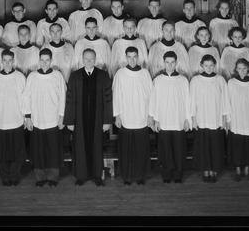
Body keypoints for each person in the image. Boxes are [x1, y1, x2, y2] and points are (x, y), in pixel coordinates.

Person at [64, 48, 113, 186]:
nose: (89, 61)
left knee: (97, 147)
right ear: (82, 59)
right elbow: (70, 99)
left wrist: (107, 121)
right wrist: (69, 120)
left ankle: (97, 175)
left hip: (97, 120)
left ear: (95, 59)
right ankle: (81, 176)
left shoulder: (103, 75)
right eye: (86, 58)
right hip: (79, 119)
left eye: (91, 58)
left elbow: (108, 99)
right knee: (80, 147)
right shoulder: (75, 76)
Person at [23, 48, 67, 187]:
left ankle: (53, 177)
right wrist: (28, 117)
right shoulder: (32, 76)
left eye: (47, 60)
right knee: (38, 150)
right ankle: (40, 177)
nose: (44, 63)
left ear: (51, 61)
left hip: (53, 119)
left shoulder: (57, 76)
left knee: (53, 149)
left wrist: (61, 117)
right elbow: (26, 98)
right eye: (42, 60)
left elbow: (63, 98)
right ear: (39, 60)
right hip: (37, 119)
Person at [112, 46, 154, 185]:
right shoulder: (120, 73)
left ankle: (140, 176)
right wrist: (117, 115)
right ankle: (127, 176)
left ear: (138, 57)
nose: (132, 59)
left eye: (134, 56)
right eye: (129, 56)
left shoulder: (145, 73)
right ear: (126, 57)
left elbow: (151, 96)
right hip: (126, 117)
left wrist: (150, 115)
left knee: (141, 149)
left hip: (142, 116)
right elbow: (116, 95)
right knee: (126, 150)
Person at [149, 51, 191, 184]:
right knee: (165, 150)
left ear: (176, 63)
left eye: (172, 62)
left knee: (179, 150)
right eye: (167, 62)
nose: (170, 65)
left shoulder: (183, 80)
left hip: (179, 120)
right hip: (163, 120)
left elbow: (187, 101)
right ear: (164, 63)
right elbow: (153, 100)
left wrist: (187, 119)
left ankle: (178, 174)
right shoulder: (158, 80)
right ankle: (166, 174)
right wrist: (155, 119)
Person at [190, 54, 230, 183]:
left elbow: (225, 100)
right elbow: (192, 100)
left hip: (216, 118)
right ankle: (205, 170)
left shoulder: (220, 80)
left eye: (211, 65)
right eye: (206, 65)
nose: (208, 68)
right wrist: (194, 118)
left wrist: (224, 118)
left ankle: (214, 170)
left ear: (215, 66)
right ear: (201, 65)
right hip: (202, 118)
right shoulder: (195, 80)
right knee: (203, 147)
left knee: (215, 146)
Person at [0, 49, 27, 186]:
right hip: (0, 121)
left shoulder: (20, 77)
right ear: (1, 62)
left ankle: (15, 175)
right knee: (2, 151)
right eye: (4, 60)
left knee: (17, 151)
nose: (7, 63)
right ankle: (5, 176)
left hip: (16, 119)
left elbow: (25, 99)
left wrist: (25, 116)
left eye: (9, 60)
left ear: (13, 61)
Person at [227, 58, 249, 182]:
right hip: (236, 119)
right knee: (237, 146)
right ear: (236, 69)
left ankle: (247, 169)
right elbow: (227, 101)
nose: (242, 71)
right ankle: (237, 170)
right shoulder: (231, 82)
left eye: (244, 68)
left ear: (248, 69)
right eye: (239, 68)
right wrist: (229, 119)